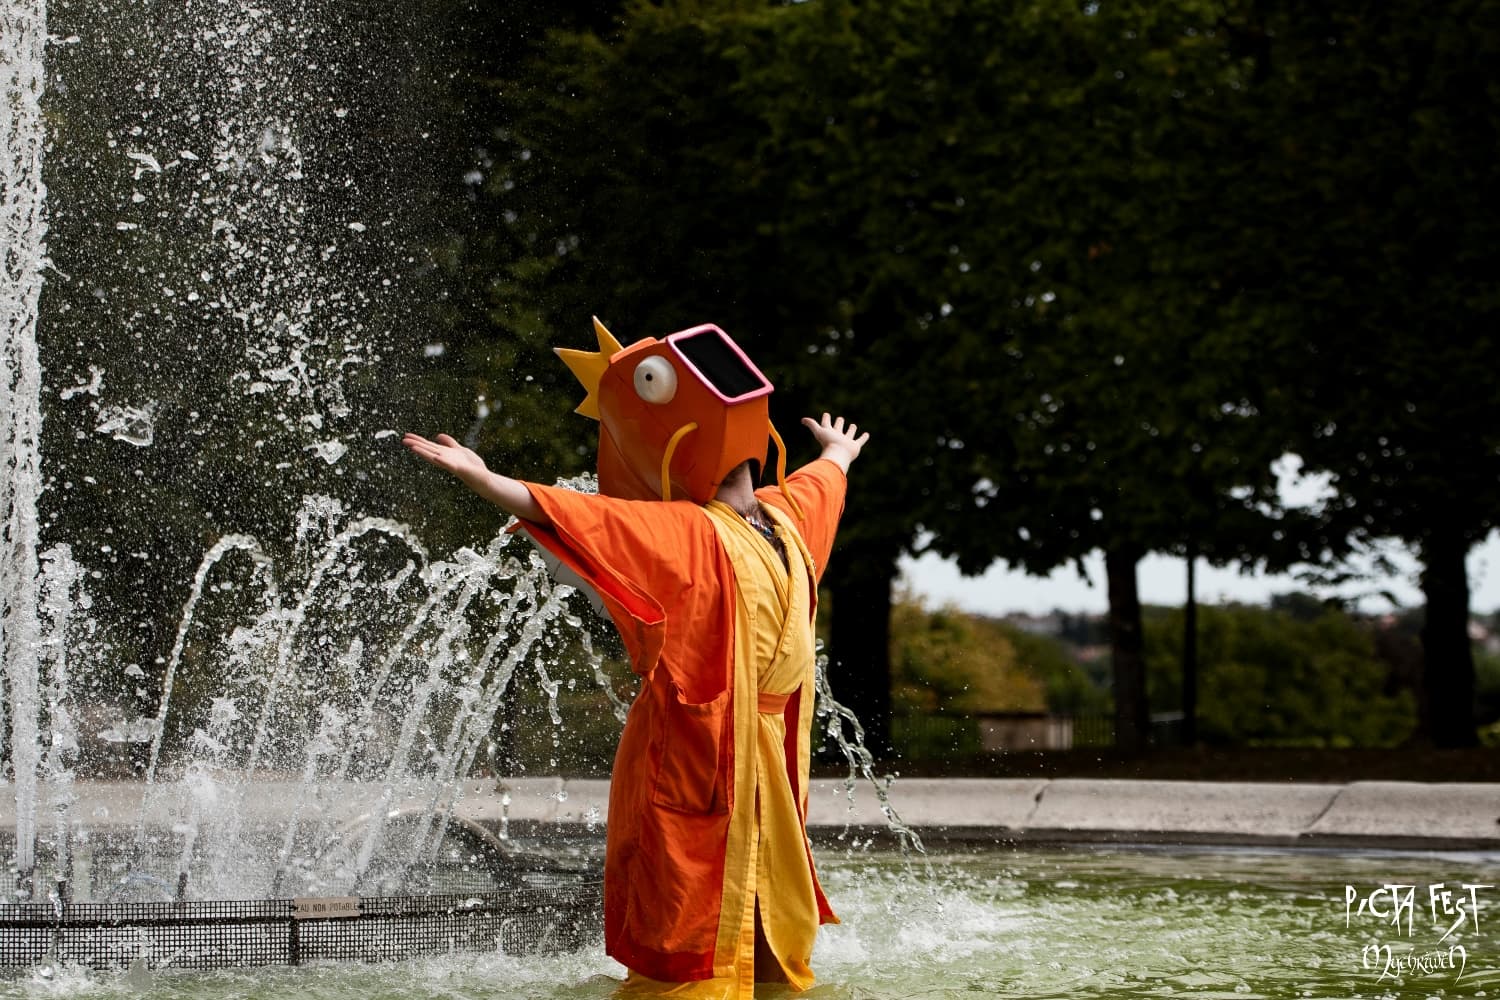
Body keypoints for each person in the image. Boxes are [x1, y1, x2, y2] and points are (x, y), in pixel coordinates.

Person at [403, 318, 868, 998]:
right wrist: (488, 480)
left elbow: (818, 486)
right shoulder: (693, 528)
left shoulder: (783, 519)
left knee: (771, 910)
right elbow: (594, 518)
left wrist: (837, 455)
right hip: (696, 746)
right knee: (688, 910)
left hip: (763, 750)